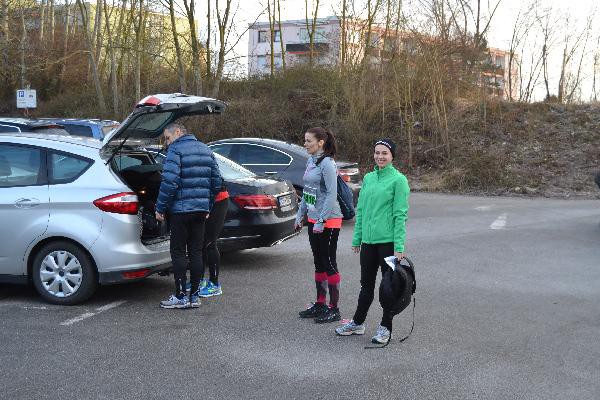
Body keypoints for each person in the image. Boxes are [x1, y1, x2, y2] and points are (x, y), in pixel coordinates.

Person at [335, 138, 410, 344]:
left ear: (392, 156)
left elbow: (400, 215)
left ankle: (386, 328)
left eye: (384, 153)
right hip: (368, 243)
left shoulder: (399, 180)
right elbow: (361, 211)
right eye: (377, 152)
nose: (380, 156)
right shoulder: (368, 178)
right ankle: (358, 323)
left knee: (388, 288)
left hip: (388, 244)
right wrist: (357, 238)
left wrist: (399, 246)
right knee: (365, 285)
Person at [155, 122, 222, 309]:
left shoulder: (175, 150)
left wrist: (160, 208)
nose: (167, 142)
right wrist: (207, 206)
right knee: (196, 252)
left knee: (178, 252)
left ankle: (180, 296)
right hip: (200, 211)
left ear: (178, 132)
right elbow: (217, 182)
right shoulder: (206, 149)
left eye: (167, 138)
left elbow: (169, 181)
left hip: (180, 211)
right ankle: (194, 297)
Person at [295, 127, 344, 324]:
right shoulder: (311, 161)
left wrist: (322, 220)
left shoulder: (327, 163)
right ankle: (321, 303)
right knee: (318, 262)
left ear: (321, 142)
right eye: (305, 140)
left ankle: (334, 309)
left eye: (309, 141)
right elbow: (308, 190)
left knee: (329, 262)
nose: (305, 144)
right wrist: (300, 215)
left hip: (329, 220)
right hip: (314, 218)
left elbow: (331, 194)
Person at [198, 186, 229, 297]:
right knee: (201, 243)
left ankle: (214, 284)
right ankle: (199, 280)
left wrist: (209, 204)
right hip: (203, 203)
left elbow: (216, 183)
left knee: (210, 243)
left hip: (218, 201)